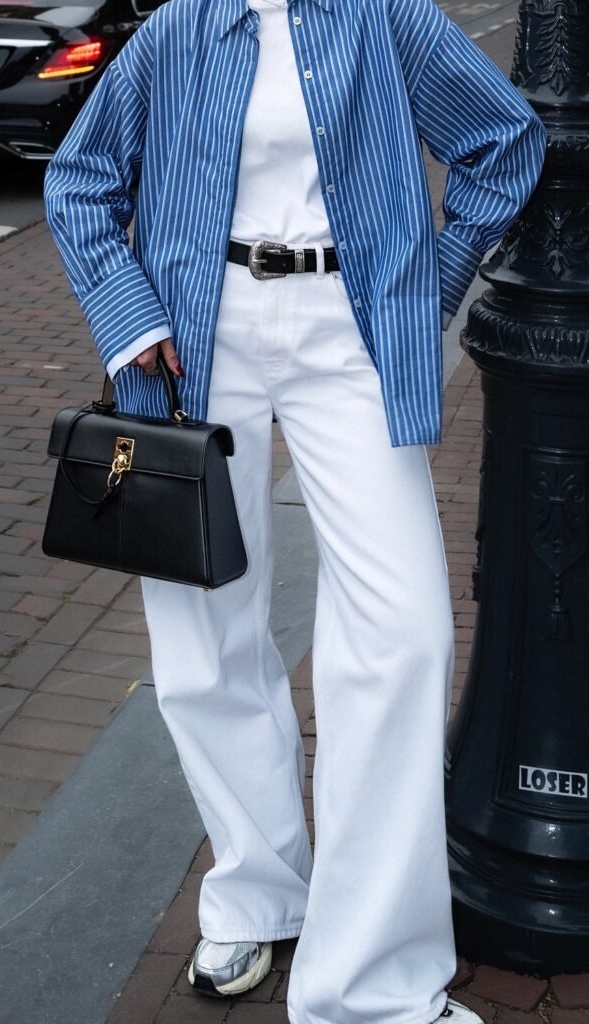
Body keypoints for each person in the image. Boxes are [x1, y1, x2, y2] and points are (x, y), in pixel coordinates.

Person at [43, 0, 546, 1021]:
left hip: (345, 335)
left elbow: (504, 139)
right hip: (197, 336)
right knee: (204, 637)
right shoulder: (180, 26)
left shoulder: (384, 16)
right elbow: (80, 178)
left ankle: (367, 981)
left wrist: (424, 285)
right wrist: (127, 313)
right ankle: (256, 890)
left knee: (400, 635)